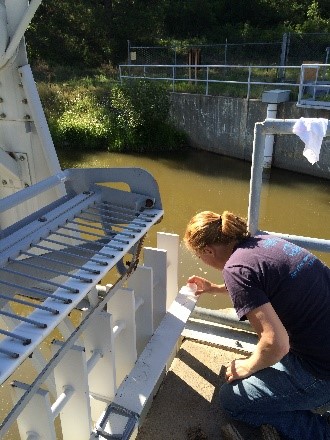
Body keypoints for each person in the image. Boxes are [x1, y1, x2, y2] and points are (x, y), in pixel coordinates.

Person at [184, 210, 330, 440]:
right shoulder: (262, 242)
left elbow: (277, 343)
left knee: (233, 400)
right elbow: (262, 283)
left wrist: (248, 366)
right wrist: (215, 288)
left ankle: (320, 431)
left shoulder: (236, 270)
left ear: (208, 251)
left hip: (322, 373)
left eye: (201, 258)